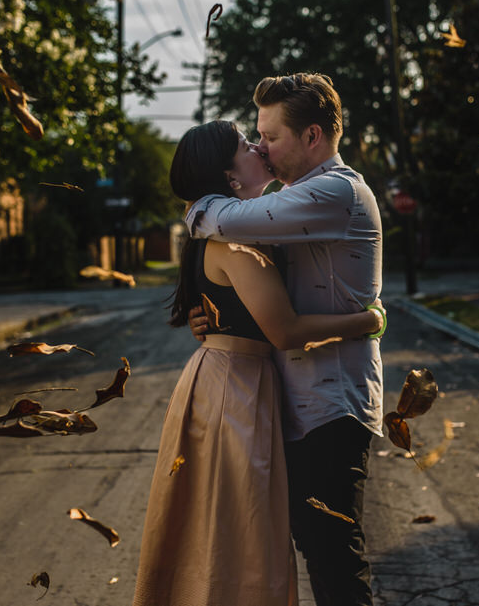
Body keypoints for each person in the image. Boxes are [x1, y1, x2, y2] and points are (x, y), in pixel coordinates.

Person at [131, 119, 386, 606]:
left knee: (239, 536)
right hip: (234, 392)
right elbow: (285, 330)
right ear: (230, 177)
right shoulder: (234, 239)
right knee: (238, 539)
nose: (259, 147)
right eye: (249, 144)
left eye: (265, 137)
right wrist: (368, 321)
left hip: (238, 384)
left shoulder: (259, 222)